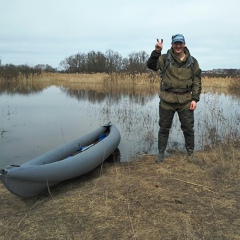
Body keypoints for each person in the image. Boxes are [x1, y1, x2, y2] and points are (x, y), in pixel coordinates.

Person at [147, 34, 202, 163]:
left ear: (184, 44)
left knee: (188, 128)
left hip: (186, 101)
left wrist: (195, 99)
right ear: (172, 44)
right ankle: (161, 154)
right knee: (164, 128)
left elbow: (197, 81)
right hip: (167, 100)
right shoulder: (164, 58)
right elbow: (151, 65)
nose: (178, 46)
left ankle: (190, 154)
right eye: (175, 43)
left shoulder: (192, 61)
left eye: (180, 43)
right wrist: (156, 52)